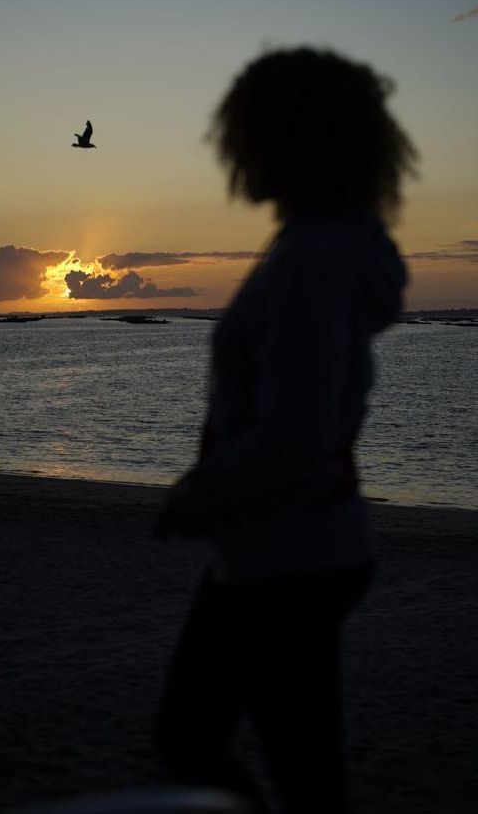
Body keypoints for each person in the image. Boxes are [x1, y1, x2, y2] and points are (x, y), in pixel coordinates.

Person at [153, 47, 417, 814]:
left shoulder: (311, 258)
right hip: (278, 541)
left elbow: (299, 425)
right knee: (210, 740)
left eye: (244, 130)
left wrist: (199, 493)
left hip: (291, 547)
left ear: (285, 139)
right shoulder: (322, 245)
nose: (230, 150)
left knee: (273, 765)